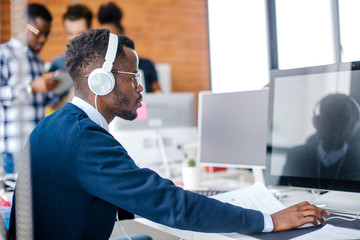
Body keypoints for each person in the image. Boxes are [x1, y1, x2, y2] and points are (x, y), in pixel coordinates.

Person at [9, 29, 329, 239]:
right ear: (101, 83)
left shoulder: (53, 126)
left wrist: (140, 188)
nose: (140, 88)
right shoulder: (85, 140)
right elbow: (172, 206)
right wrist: (269, 220)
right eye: (132, 77)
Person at [0, 3, 60, 173]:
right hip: (13, 149)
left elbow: (49, 103)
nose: (42, 39)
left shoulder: (38, 62)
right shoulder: (3, 55)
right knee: (16, 199)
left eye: (46, 35)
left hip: (38, 148)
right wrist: (31, 88)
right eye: (38, 33)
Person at [282, 93, 360, 182]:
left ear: (353, 125)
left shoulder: (357, 162)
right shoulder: (296, 156)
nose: (335, 124)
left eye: (343, 118)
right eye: (329, 116)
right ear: (317, 121)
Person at [97, 2, 161, 93]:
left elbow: (159, 95)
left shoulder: (146, 65)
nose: (109, 44)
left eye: (112, 39)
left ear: (123, 37)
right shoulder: (99, 70)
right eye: (104, 39)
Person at [48, 3, 93, 72]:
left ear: (90, 31)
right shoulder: (57, 65)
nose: (75, 39)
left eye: (80, 33)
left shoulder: (105, 61)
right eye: (70, 33)